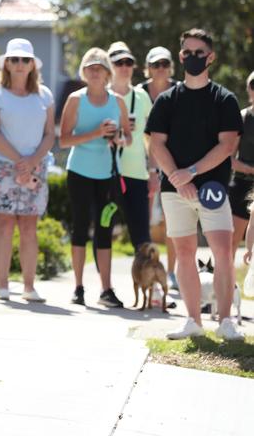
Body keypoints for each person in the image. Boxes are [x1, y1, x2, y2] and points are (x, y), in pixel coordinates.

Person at [146, 28, 244, 340]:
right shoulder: (167, 101)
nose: (192, 57)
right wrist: (178, 176)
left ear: (211, 57)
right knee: (184, 252)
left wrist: (191, 172)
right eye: (187, 52)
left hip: (213, 189)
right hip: (175, 190)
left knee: (223, 253)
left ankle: (226, 320)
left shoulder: (224, 99)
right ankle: (193, 321)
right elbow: (156, 145)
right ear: (180, 56)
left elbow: (227, 146)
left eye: (199, 53)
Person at [0, 38, 55, 301]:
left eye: (25, 60)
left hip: (35, 166)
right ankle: (2, 285)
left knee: (29, 226)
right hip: (2, 166)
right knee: (3, 224)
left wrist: (32, 160)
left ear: (33, 64)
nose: (20, 64)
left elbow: (49, 134)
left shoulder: (44, 95)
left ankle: (28, 286)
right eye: (15, 59)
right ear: (7, 64)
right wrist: (19, 161)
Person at [59, 47, 132, 308]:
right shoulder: (75, 100)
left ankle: (106, 289)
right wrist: (96, 133)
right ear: (84, 72)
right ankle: (78, 287)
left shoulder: (118, 101)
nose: (95, 72)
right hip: (79, 171)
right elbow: (64, 139)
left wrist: (117, 139)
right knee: (80, 227)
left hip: (106, 175)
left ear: (107, 73)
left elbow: (128, 136)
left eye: (99, 68)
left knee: (104, 230)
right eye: (90, 68)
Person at [138, 46, 180, 290]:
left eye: (165, 64)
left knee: (172, 219)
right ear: (148, 68)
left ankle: (171, 272)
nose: (160, 69)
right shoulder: (140, 91)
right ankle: (145, 270)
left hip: (172, 162)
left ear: (171, 67)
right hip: (140, 162)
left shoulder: (179, 90)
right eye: (156, 65)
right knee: (143, 219)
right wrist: (150, 170)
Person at [107, 42, 155, 250]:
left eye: (128, 62)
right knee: (103, 228)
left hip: (136, 173)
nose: (124, 66)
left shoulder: (141, 96)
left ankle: (148, 280)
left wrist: (153, 171)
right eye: (118, 62)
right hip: (105, 172)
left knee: (142, 234)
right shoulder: (101, 95)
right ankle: (105, 282)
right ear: (109, 66)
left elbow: (152, 138)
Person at [229, 71, 254, 258]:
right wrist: (248, 169)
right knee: (230, 244)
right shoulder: (242, 117)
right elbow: (228, 157)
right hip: (243, 184)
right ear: (248, 89)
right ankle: (227, 284)